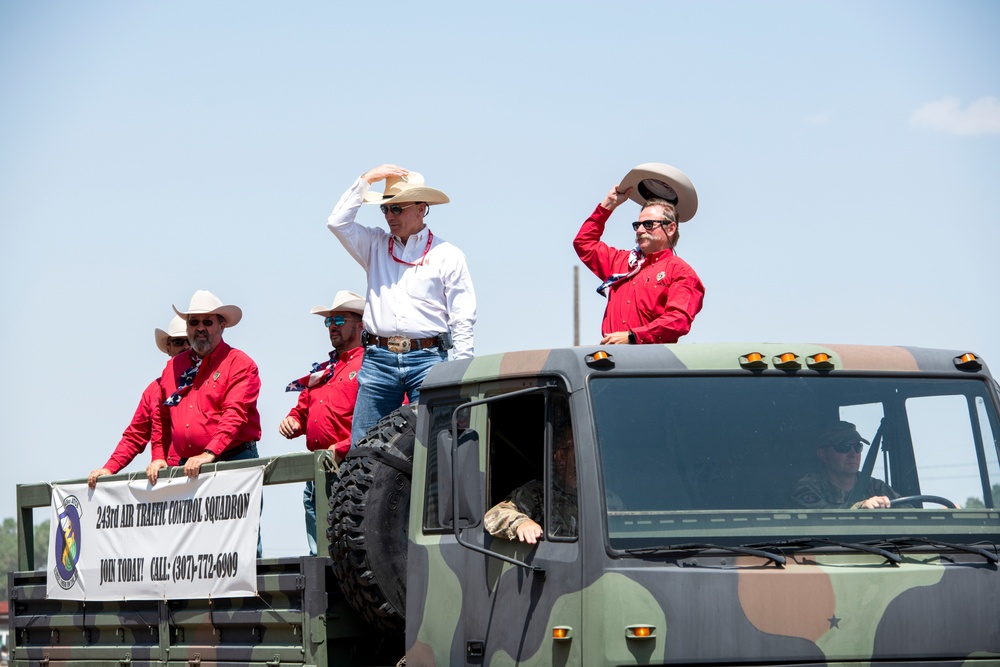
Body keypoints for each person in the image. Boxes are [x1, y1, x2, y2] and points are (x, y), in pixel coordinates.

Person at [326, 164, 476, 446]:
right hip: (378, 359)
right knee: (364, 448)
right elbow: (337, 222)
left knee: (433, 445)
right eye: (385, 209)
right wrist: (366, 180)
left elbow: (462, 318)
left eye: (397, 208)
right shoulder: (374, 244)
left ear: (421, 208)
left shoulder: (448, 255)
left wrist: (461, 375)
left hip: (428, 358)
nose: (389, 216)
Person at [573, 162, 705, 345]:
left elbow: (678, 320)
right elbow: (583, 243)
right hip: (611, 361)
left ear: (671, 228)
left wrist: (632, 336)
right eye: (638, 225)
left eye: (649, 224)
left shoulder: (680, 271)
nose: (640, 230)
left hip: (650, 366)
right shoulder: (622, 262)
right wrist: (608, 205)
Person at [279, 290, 365, 555]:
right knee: (321, 552)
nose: (332, 327)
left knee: (352, 546)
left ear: (360, 324)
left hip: (351, 467)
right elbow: (302, 410)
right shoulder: (325, 369)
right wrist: (292, 420)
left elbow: (382, 421)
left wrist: (340, 448)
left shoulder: (372, 365)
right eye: (329, 321)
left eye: (339, 319)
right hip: (319, 471)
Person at [146, 290, 262, 485]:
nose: (200, 328)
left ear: (222, 326)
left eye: (207, 322)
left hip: (233, 459)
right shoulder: (173, 367)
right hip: (188, 466)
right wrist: (159, 456)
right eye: (194, 322)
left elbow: (234, 414)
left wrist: (209, 453)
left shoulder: (240, 364)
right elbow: (162, 417)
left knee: (235, 516)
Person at [87, 315, 189, 489]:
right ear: (168, 347)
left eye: (190, 342)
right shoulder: (153, 390)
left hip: (200, 475)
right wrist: (109, 469)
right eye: (179, 342)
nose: (185, 347)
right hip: (167, 482)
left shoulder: (209, 382)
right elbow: (135, 436)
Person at [485, 430, 579, 544]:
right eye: (577, 448)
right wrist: (522, 523)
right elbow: (495, 515)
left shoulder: (599, 495)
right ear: (561, 457)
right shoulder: (539, 492)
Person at [790, 421, 900, 509]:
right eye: (844, 447)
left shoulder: (876, 487)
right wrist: (860, 507)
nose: (853, 454)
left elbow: (909, 512)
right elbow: (821, 518)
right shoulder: (807, 487)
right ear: (822, 454)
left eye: (857, 447)